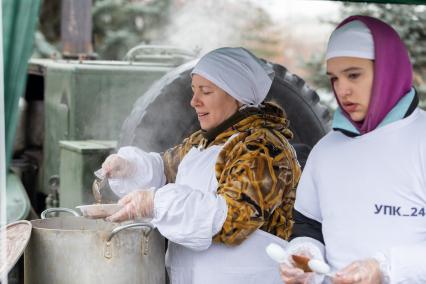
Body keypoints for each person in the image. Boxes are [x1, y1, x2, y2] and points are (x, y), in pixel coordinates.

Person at [101, 47, 301, 284]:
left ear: (236, 95)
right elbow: (167, 170)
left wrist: (155, 202)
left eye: (205, 91)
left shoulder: (264, 149)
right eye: (194, 90)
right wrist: (132, 168)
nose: (194, 101)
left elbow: (234, 220)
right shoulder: (206, 141)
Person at [279, 15, 426, 284]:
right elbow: (308, 226)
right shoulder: (326, 150)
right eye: (334, 78)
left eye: (354, 75)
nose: (342, 90)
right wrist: (304, 258)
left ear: (388, 70)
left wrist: (385, 268)